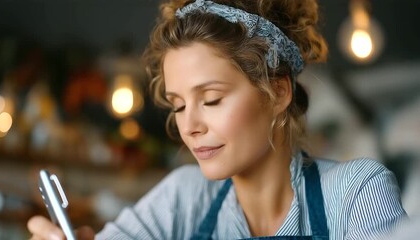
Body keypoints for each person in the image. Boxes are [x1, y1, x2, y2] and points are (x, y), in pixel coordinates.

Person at [27, 0, 407, 239]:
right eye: (177, 105)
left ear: (278, 92)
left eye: (211, 99)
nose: (189, 125)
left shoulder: (356, 193)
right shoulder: (184, 196)